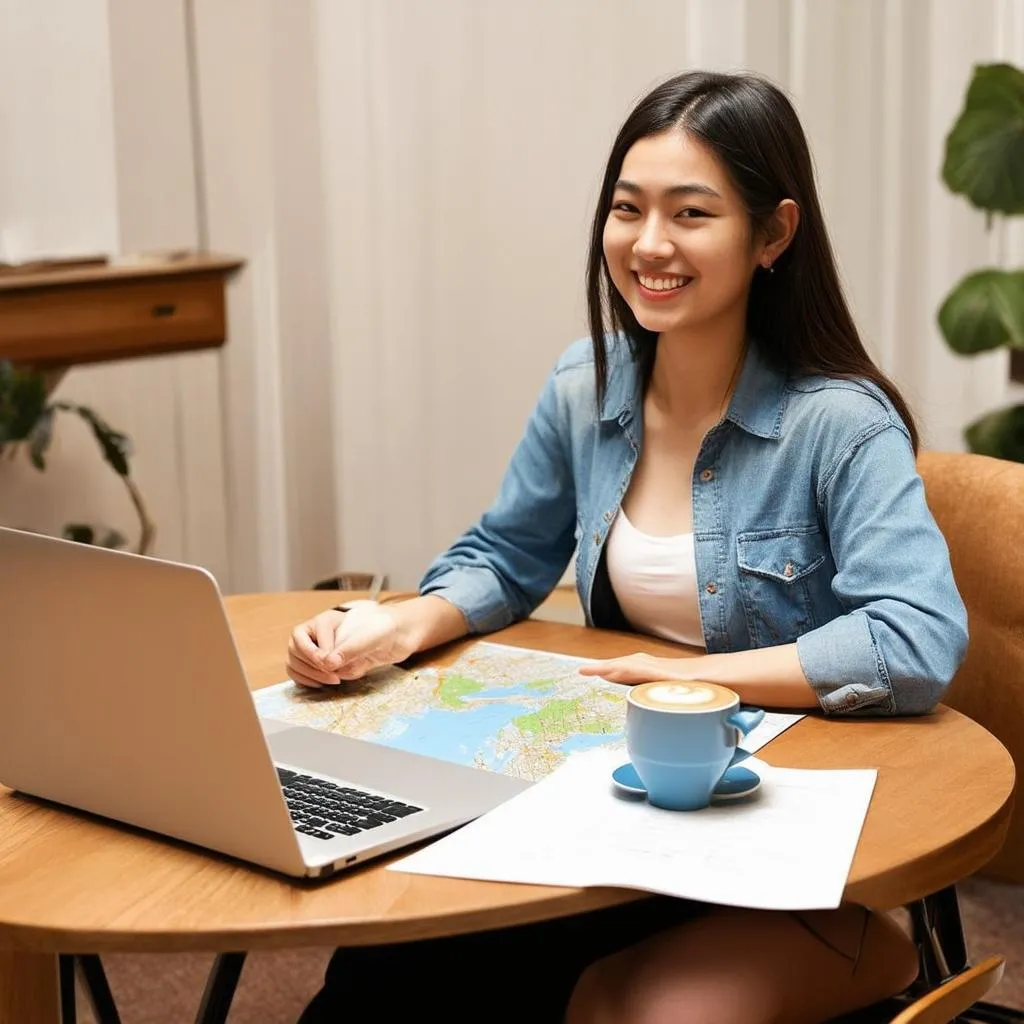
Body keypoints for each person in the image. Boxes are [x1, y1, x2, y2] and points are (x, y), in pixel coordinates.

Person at [289, 69, 967, 1024]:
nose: (650, 245)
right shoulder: (584, 385)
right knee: (386, 971)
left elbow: (914, 640)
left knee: (534, 990)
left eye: (691, 214)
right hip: (622, 804)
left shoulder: (840, 426)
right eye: (627, 209)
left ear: (772, 234)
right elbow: (507, 555)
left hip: (774, 824)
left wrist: (695, 678)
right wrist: (397, 627)